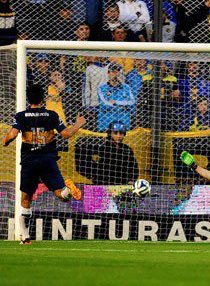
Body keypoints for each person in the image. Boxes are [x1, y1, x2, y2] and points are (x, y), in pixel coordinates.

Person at [2, 84, 85, 244]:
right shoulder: (51, 115)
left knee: (26, 197)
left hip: (29, 162)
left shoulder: (21, 116)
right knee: (62, 196)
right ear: (43, 98)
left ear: (28, 98)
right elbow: (67, 134)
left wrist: (6, 141)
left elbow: (12, 135)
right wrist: (78, 123)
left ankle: (25, 236)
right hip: (48, 160)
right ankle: (68, 189)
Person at [97, 63, 135, 131]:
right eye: (113, 71)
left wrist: (116, 102)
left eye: (117, 72)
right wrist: (124, 104)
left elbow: (132, 102)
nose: (115, 74)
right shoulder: (102, 88)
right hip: (106, 121)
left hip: (123, 120)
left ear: (120, 74)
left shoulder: (126, 87)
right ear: (108, 73)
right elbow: (104, 105)